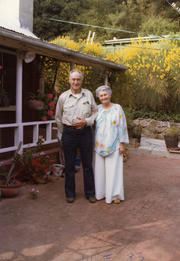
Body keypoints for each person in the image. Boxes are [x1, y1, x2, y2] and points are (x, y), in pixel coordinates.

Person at [55, 69, 97, 203]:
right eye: (73, 79)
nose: (76, 82)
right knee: (69, 165)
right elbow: (58, 117)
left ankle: (90, 193)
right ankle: (70, 193)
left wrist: (87, 122)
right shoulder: (63, 97)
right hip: (69, 133)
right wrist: (63, 134)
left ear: (81, 81)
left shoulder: (88, 95)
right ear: (69, 81)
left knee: (88, 165)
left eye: (78, 79)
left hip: (85, 133)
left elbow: (96, 113)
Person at [93, 85, 129, 204]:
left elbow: (123, 126)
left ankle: (114, 195)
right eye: (101, 95)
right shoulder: (97, 109)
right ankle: (101, 193)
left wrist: (122, 144)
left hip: (114, 144)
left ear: (110, 95)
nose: (103, 97)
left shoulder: (117, 108)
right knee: (100, 172)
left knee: (114, 171)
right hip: (99, 145)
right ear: (99, 97)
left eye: (105, 95)